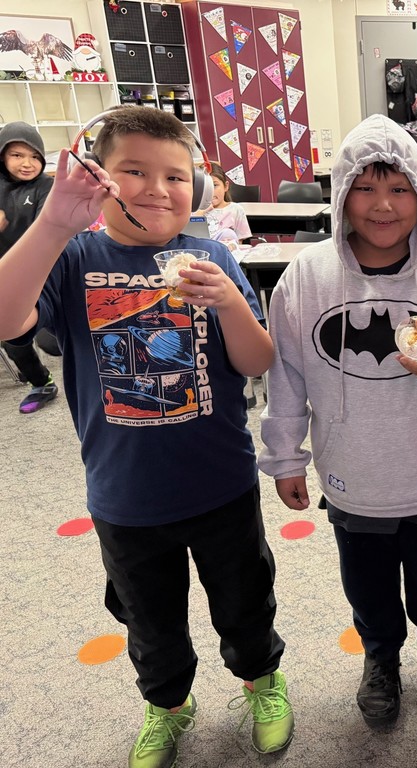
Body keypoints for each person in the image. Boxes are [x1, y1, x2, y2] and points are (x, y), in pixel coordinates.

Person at [0, 106, 294, 768]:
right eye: (135, 171)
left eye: (177, 175)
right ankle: (167, 704)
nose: (159, 189)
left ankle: (261, 680)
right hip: (126, 497)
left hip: (222, 485)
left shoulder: (212, 255)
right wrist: (51, 223)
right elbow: (7, 319)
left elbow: (257, 362)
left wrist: (226, 303)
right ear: (100, 178)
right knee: (150, 623)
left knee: (246, 602)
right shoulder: (75, 257)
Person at [258, 114, 417, 729]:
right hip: (352, 475)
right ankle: (381, 658)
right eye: (364, 188)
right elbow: (284, 373)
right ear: (341, 194)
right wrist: (286, 456)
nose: (383, 205)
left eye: (399, 189)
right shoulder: (306, 278)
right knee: (367, 587)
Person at [0, 121, 60, 414]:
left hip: (40, 272)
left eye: (34, 156)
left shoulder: (46, 186)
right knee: (13, 337)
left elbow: (46, 229)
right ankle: (42, 382)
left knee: (52, 342)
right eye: (17, 155)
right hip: (4, 275)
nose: (27, 163)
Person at [198, 163, 252, 250]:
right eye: (204, 186)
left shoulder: (236, 209)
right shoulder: (195, 211)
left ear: (226, 186)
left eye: (215, 185)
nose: (210, 190)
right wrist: (201, 212)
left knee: (228, 234)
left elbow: (239, 243)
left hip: (227, 254)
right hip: (203, 252)